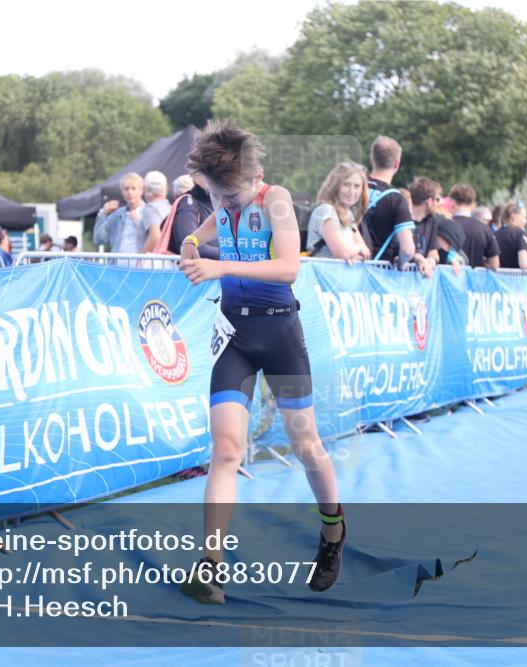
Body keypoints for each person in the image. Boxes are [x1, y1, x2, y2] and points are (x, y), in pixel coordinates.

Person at [176, 120, 345, 604]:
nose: (224, 206)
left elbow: (289, 267)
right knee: (226, 449)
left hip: (279, 333)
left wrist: (220, 264)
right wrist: (191, 243)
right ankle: (211, 567)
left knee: (305, 443)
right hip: (236, 336)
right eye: (216, 197)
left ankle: (333, 532)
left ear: (257, 177)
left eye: (232, 198)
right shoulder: (223, 199)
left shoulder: (276, 199)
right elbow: (210, 225)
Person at [362, 136, 432, 276]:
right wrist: (401, 261)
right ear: (397, 164)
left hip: (347, 270)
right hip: (378, 274)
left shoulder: (354, 188)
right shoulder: (396, 199)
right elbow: (407, 249)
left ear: (372, 158)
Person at [304, 162, 371, 262]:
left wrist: (355, 253)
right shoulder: (326, 211)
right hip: (322, 275)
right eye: (346, 184)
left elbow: (366, 253)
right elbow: (343, 253)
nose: (351, 191)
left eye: (357, 186)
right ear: (335, 186)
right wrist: (358, 249)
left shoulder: (348, 215)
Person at [450, 183, 500, 269]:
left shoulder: (444, 226)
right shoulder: (484, 229)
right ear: (473, 204)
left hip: (449, 279)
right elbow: (495, 264)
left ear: (453, 202)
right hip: (475, 280)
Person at [93, 173, 146, 253]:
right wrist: (103, 213)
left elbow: (155, 239)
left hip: (140, 264)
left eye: (133, 188)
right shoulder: (118, 214)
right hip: (116, 264)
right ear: (122, 192)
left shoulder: (149, 212)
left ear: (141, 190)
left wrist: (138, 221)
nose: (130, 192)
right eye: (126, 189)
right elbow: (98, 239)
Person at [168, 173, 217, 258]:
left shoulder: (218, 202)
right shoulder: (188, 203)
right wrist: (230, 255)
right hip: (201, 268)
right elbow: (191, 244)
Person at [141, 171, 172, 253]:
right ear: (166, 188)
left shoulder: (150, 208)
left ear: (144, 189)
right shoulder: (170, 207)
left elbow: (155, 236)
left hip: (156, 259)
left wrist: (140, 260)